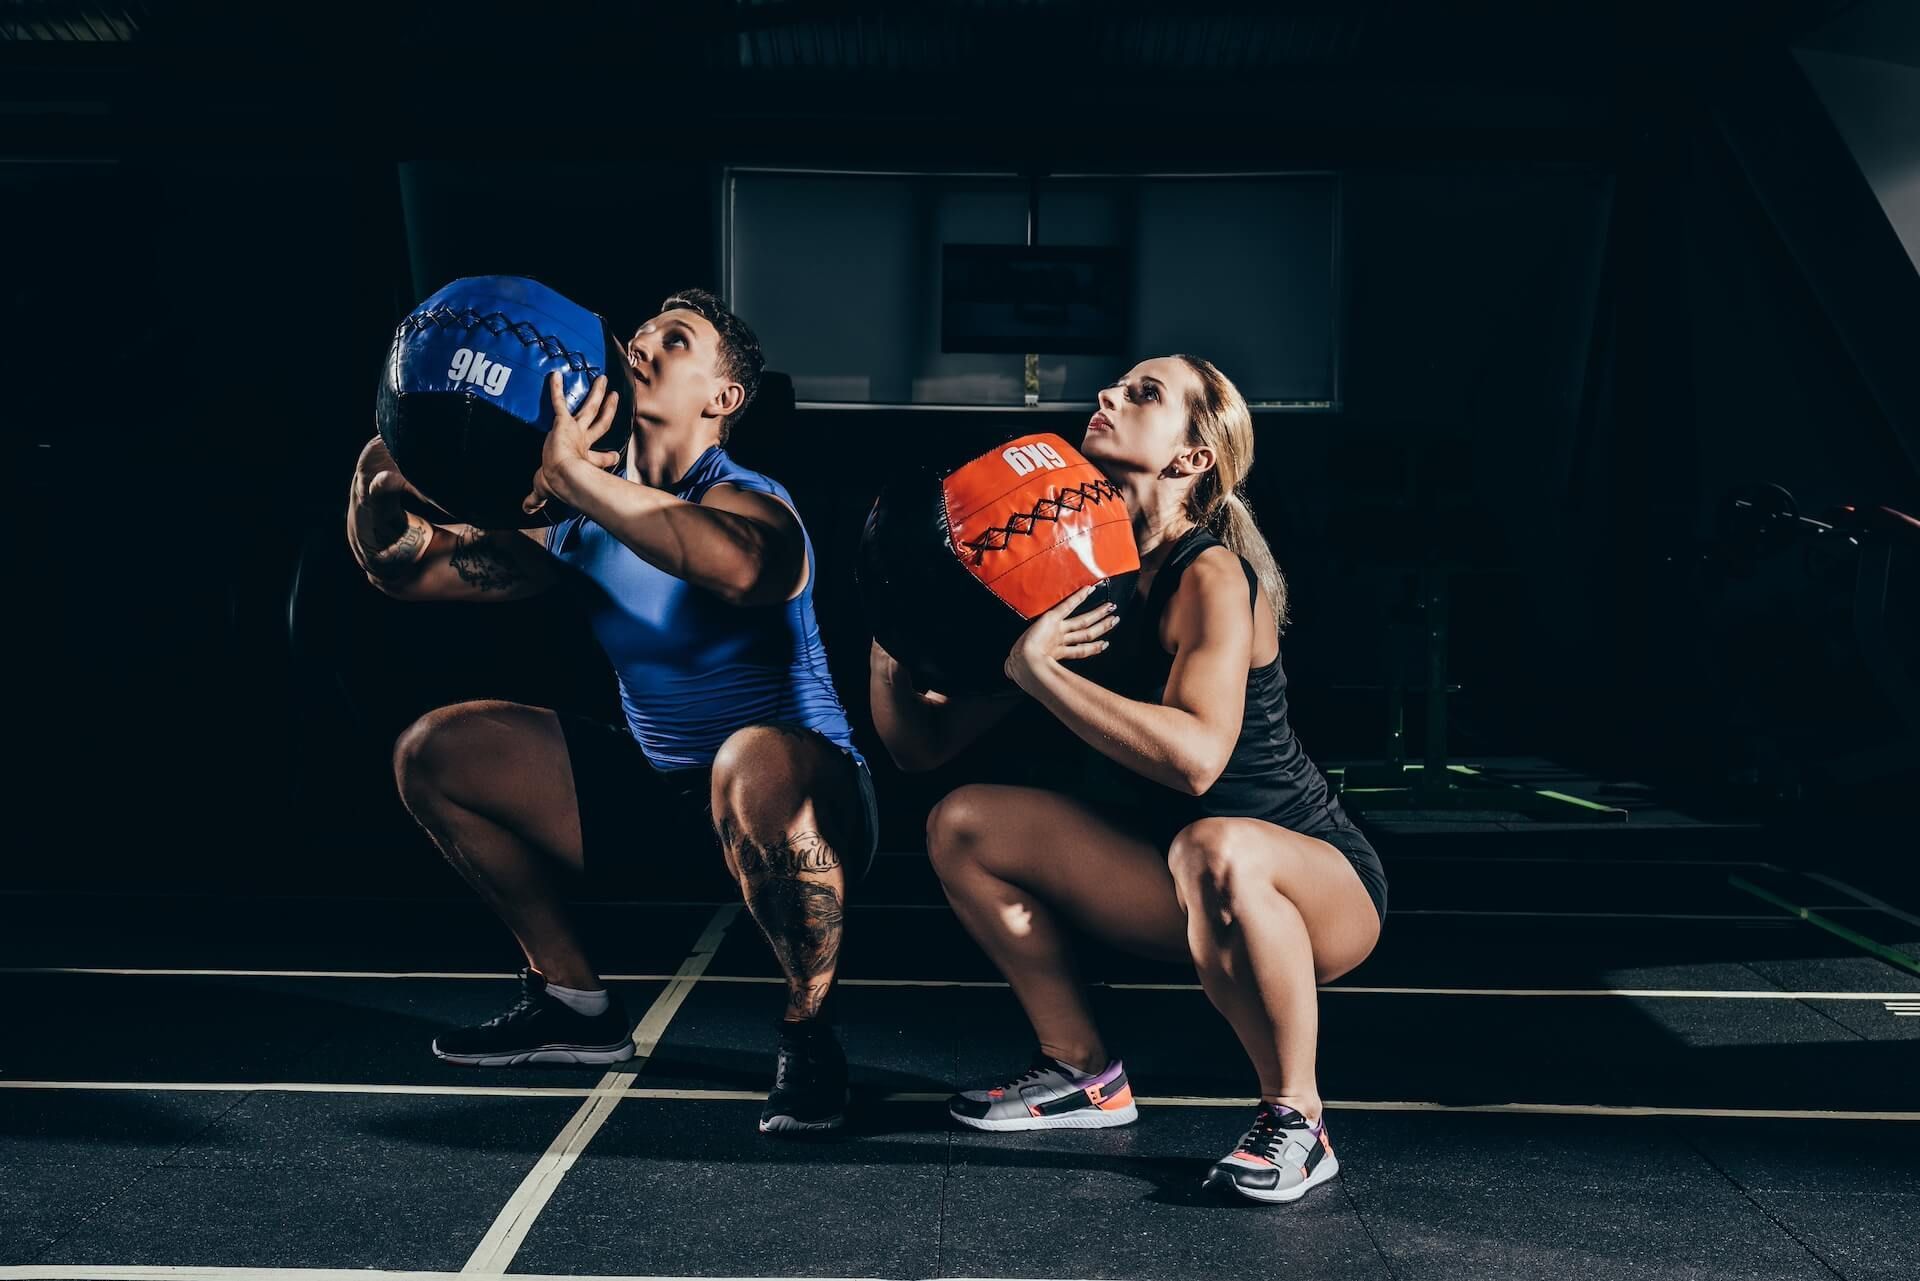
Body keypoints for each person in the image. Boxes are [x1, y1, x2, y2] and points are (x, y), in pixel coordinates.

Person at [346, 289, 875, 1134]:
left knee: (752, 758)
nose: (642, 341)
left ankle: (811, 1034)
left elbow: (744, 569)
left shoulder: (749, 496)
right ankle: (571, 1001)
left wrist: (582, 483)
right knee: (435, 752)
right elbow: (410, 570)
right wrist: (378, 490)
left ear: (723, 397)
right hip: (665, 796)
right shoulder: (580, 511)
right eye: (644, 327)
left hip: (808, 796)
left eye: (678, 337)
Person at [870, 355, 1388, 1202]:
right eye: (1116, 385)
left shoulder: (1211, 573)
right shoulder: (1074, 575)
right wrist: (892, 619)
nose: (1108, 395)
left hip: (1315, 881)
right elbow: (920, 748)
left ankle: (1298, 1117)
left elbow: (1195, 761)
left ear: (1192, 458)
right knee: (963, 822)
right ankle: (1081, 1070)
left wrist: (1041, 675)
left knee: (1214, 845)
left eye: (1145, 394)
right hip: (1178, 874)